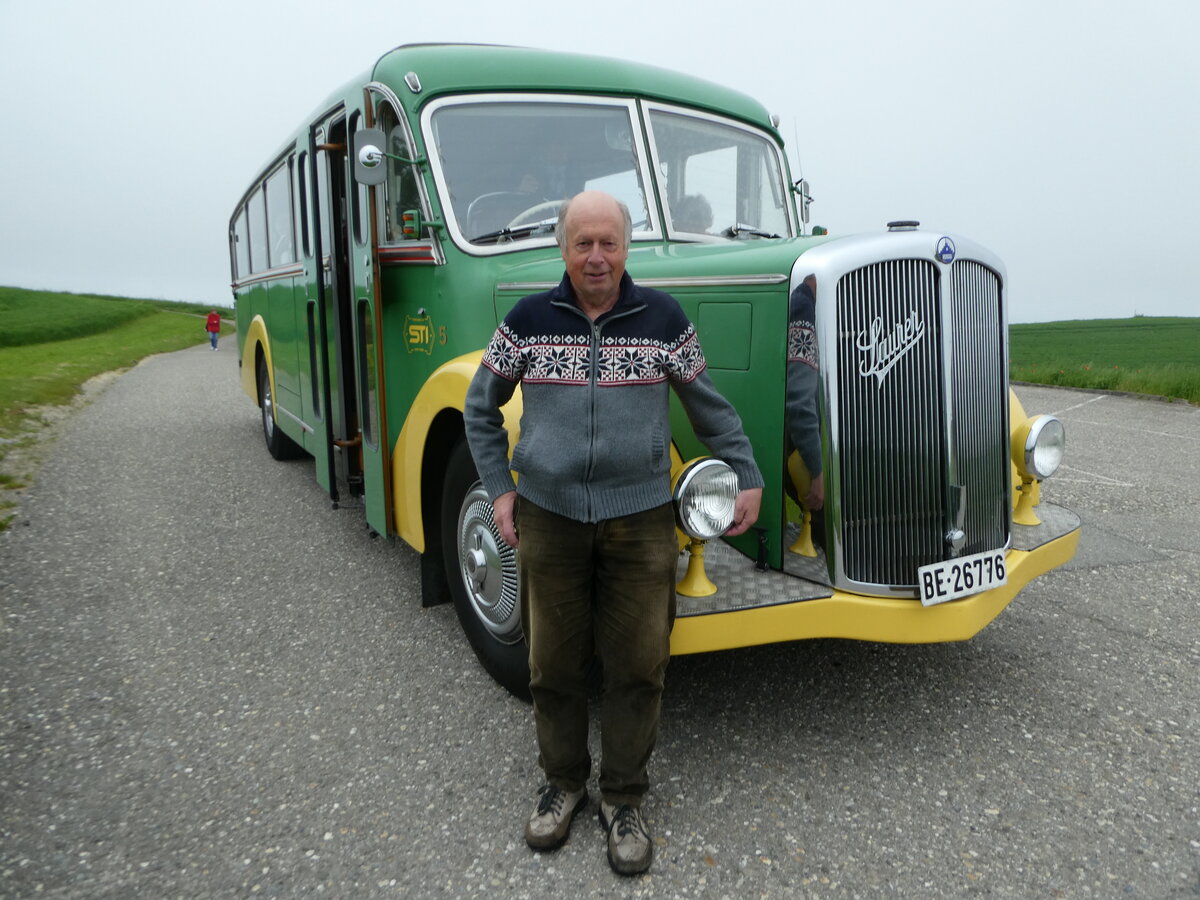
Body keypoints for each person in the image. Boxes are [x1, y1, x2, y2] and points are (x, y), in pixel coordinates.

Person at [464, 190, 763, 876]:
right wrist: (501, 490)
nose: (596, 257)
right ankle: (563, 783)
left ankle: (623, 796)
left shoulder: (662, 319)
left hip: (640, 519)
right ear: (562, 248)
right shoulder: (528, 322)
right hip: (549, 516)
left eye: (609, 243)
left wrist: (744, 469)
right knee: (552, 666)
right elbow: (479, 409)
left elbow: (705, 403)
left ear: (627, 248)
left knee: (638, 666)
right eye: (582, 243)